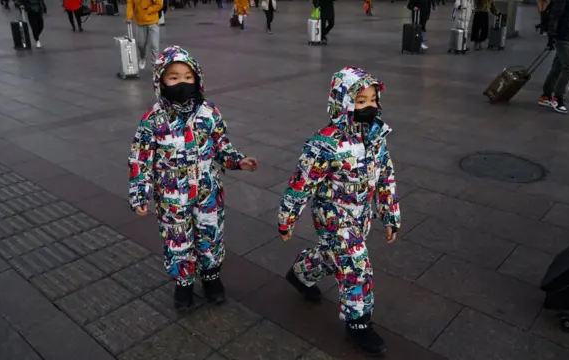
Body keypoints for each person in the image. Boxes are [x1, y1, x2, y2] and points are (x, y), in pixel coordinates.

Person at [278, 66, 401, 356]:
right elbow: (301, 183)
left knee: (334, 257)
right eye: (360, 101)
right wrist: (287, 217)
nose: (368, 106)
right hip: (332, 215)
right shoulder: (325, 143)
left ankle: (300, 273)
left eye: (373, 100)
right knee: (355, 264)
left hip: (361, 214)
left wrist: (389, 213)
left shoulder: (376, 136)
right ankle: (359, 323)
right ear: (342, 102)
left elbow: (385, 175)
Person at [129, 46, 259, 311]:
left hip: (207, 192)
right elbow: (140, 161)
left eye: (188, 77)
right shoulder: (152, 121)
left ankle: (211, 277)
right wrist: (140, 194)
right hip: (171, 198)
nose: (182, 83)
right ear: (160, 81)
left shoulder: (210, 113)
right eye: (173, 78)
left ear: (197, 79)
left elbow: (222, 146)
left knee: (210, 236)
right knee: (178, 241)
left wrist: (238, 161)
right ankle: (184, 284)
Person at [538, 0, 569, 114]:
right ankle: (557, 98)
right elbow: (555, 15)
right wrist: (551, 35)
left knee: (558, 66)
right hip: (564, 36)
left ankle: (546, 96)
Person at [126, 0, 163, 70]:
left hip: (153, 21)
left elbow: (159, 4)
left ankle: (155, 67)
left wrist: (149, 10)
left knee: (154, 45)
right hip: (140, 22)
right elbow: (130, 3)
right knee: (141, 44)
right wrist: (129, 16)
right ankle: (143, 57)